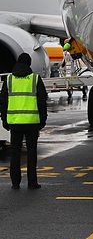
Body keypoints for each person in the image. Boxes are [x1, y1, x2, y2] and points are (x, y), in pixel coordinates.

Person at [0, 53, 47, 190]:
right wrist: (42, 120)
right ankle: (32, 182)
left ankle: (15, 182)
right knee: (32, 153)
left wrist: (4, 121)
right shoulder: (35, 79)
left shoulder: (9, 80)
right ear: (29, 64)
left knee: (15, 153)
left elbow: (3, 102)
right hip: (32, 123)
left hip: (15, 123)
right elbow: (42, 101)